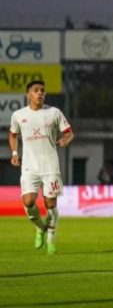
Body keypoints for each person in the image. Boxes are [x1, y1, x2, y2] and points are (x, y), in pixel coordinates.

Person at [9, 80, 73, 255]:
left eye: (43, 91)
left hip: (50, 165)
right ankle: (40, 227)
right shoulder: (18, 115)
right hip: (29, 166)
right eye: (36, 90)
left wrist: (66, 139)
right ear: (28, 94)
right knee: (28, 202)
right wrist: (14, 153)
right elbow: (13, 135)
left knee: (50, 205)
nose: (40, 93)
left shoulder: (54, 112)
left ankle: (51, 236)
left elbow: (68, 132)